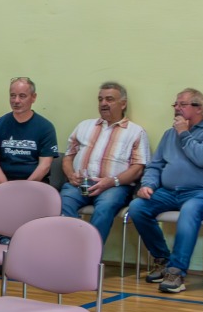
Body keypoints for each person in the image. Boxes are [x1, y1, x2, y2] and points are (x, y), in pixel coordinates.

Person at [129, 88, 203, 294]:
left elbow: (202, 159)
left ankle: (176, 272)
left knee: (190, 211)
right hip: (169, 192)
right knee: (138, 207)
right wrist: (148, 184)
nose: (176, 108)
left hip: (200, 193)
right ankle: (163, 260)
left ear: (199, 108)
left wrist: (184, 133)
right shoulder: (168, 134)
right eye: (175, 104)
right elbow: (155, 165)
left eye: (182, 104)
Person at [59, 82, 150, 244]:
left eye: (109, 99)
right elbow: (68, 156)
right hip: (80, 184)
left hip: (114, 186)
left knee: (104, 208)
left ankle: (90, 254)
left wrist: (112, 181)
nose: (103, 103)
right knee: (62, 202)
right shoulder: (84, 126)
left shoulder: (135, 132)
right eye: (100, 99)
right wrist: (71, 175)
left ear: (123, 104)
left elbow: (138, 168)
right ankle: (73, 249)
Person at [0, 77, 59, 186]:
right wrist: (7, 187)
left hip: (35, 184)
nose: (16, 101)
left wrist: (24, 188)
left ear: (33, 97)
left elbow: (45, 166)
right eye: (13, 95)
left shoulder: (45, 127)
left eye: (22, 96)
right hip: (3, 183)